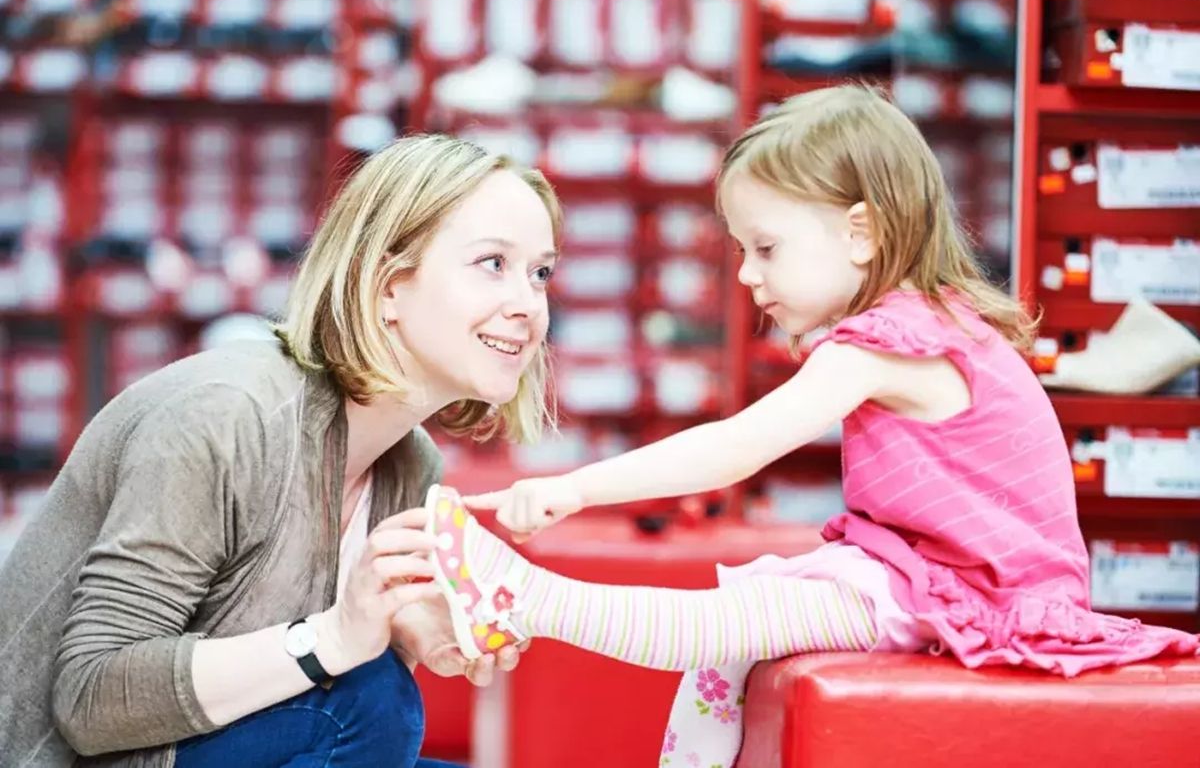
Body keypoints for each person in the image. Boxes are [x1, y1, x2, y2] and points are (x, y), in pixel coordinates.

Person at [420, 85, 1200, 768]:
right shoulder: (932, 325)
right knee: (748, 611)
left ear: (861, 233)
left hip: (974, 593)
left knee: (730, 618)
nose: (745, 273)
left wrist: (578, 486)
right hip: (930, 572)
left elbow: (736, 445)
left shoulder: (885, 344)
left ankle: (527, 600)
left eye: (765, 247)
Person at [0, 134, 561, 768]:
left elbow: (305, 696)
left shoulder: (412, 465)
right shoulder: (226, 415)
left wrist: (401, 635)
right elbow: (89, 700)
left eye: (540, 272)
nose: (528, 306)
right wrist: (340, 638)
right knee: (370, 700)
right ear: (387, 287)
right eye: (493, 263)